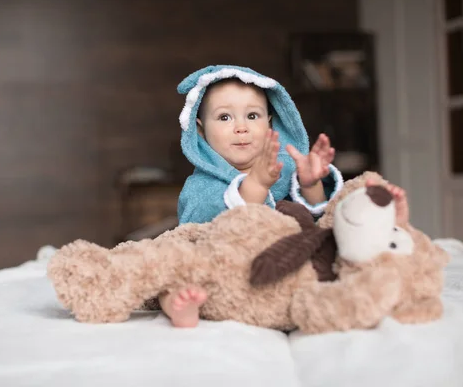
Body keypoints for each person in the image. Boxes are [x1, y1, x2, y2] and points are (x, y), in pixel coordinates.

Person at [159, 65, 408, 328]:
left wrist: (310, 184)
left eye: (252, 115)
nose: (241, 127)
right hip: (228, 276)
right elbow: (198, 237)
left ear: (270, 123)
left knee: (340, 241)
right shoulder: (200, 186)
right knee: (170, 268)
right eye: (224, 118)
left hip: (287, 269)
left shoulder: (286, 169)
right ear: (200, 130)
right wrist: (256, 185)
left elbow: (316, 222)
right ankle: (182, 306)